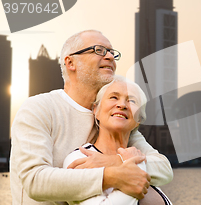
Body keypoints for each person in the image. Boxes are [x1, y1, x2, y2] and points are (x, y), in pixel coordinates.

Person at [10, 30, 173, 205]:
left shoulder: (112, 120)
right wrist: (113, 175)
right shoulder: (40, 108)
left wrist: (114, 161)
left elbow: (163, 168)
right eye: (99, 50)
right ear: (70, 62)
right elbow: (35, 181)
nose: (110, 56)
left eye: (112, 52)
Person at [63, 76, 171, 205]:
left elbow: (166, 171)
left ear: (139, 120)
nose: (122, 105)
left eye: (132, 101)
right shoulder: (81, 158)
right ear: (96, 110)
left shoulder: (138, 155)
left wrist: (124, 161)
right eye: (114, 97)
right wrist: (134, 166)